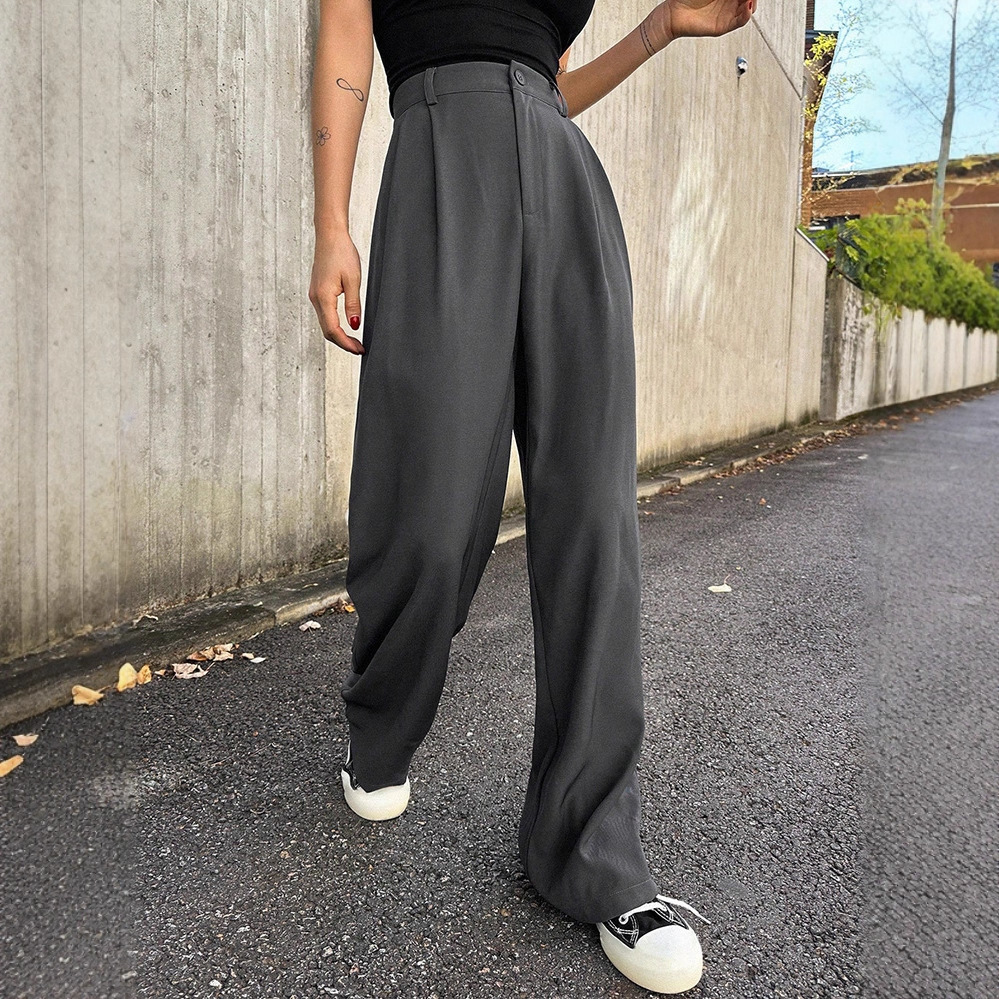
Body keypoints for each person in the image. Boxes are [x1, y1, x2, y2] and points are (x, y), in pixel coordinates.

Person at [308, 0, 756, 992]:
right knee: (426, 516)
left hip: (563, 175)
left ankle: (593, 852)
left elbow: (548, 88)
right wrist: (331, 224)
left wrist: (660, 29)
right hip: (439, 164)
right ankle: (380, 726)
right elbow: (344, 35)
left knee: (595, 518)